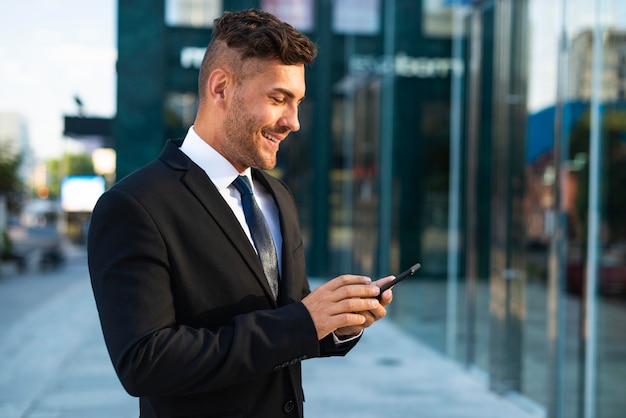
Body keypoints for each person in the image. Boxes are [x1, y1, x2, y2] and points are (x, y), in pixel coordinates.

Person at [88, 8, 394, 418]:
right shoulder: (133, 206)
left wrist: (339, 323)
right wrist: (302, 322)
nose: (294, 122)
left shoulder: (278, 196)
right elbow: (145, 362)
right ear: (220, 89)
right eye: (279, 98)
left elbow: (291, 322)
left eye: (298, 102)